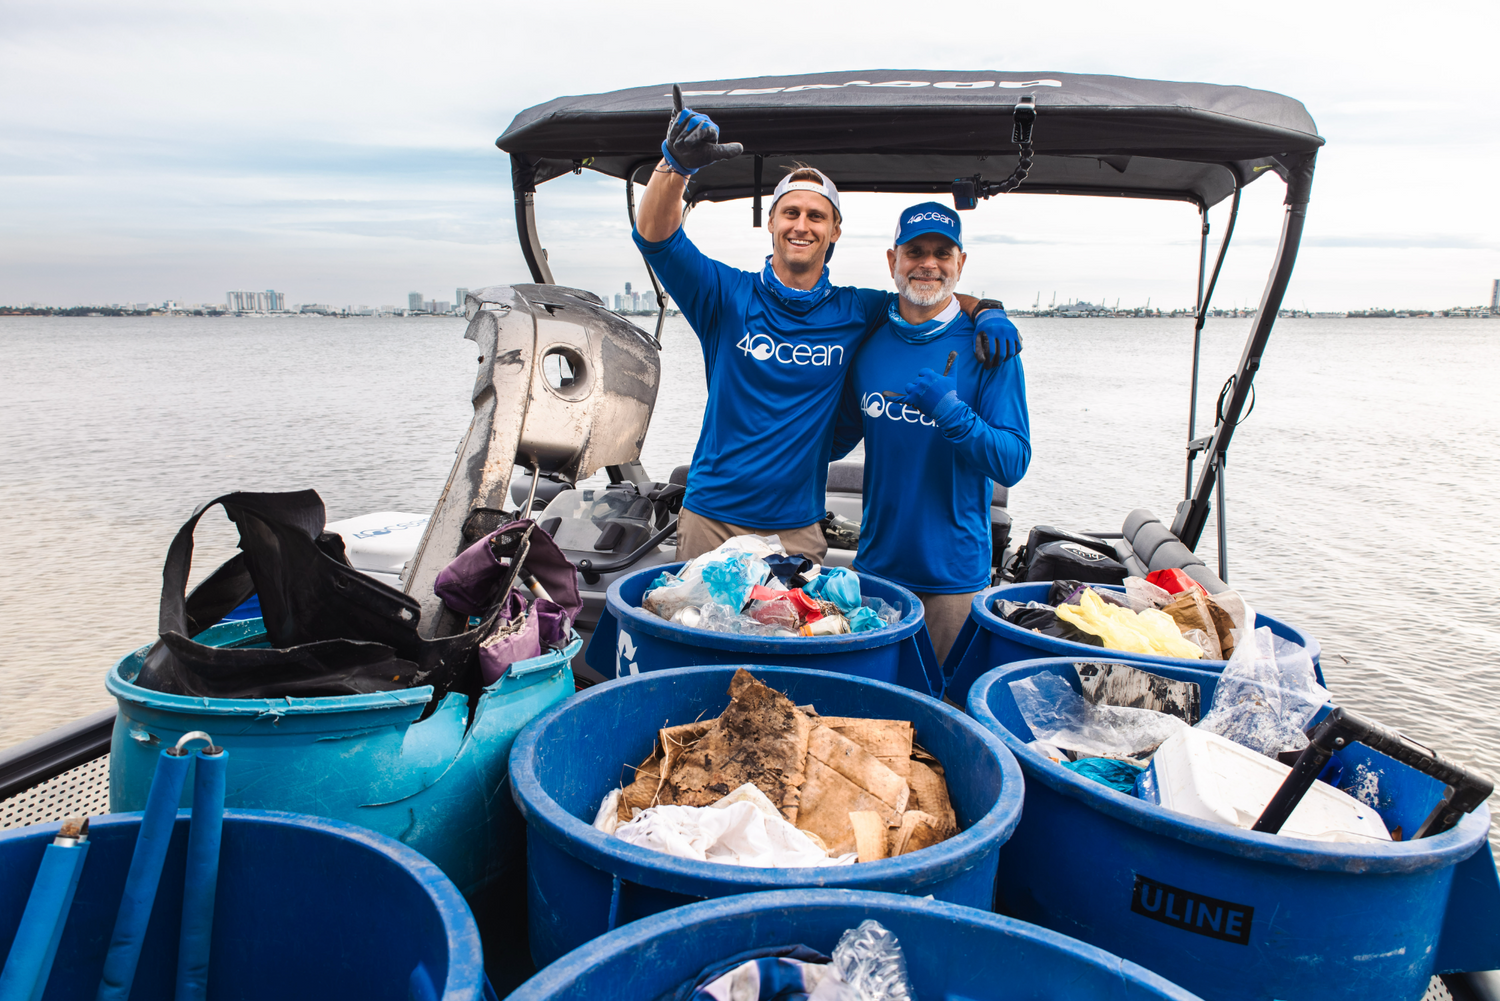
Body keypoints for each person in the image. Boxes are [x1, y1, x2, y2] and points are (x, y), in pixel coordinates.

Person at [634, 90, 1021, 562]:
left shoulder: (859, 309)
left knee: (792, 636)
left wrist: (986, 309)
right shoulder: (724, 295)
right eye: (791, 213)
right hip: (711, 516)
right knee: (699, 634)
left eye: (816, 215)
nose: (802, 225)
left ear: (834, 231)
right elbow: (658, 239)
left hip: (798, 527)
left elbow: (924, 291)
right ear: (772, 221)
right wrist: (674, 168)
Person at [832, 202, 1031, 663]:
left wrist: (950, 412)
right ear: (892, 261)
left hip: (955, 578)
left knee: (939, 713)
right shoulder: (870, 341)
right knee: (871, 709)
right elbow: (834, 439)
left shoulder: (990, 347)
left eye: (943, 253)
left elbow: (1012, 461)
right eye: (915, 250)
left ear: (961, 263)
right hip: (876, 570)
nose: (928, 263)